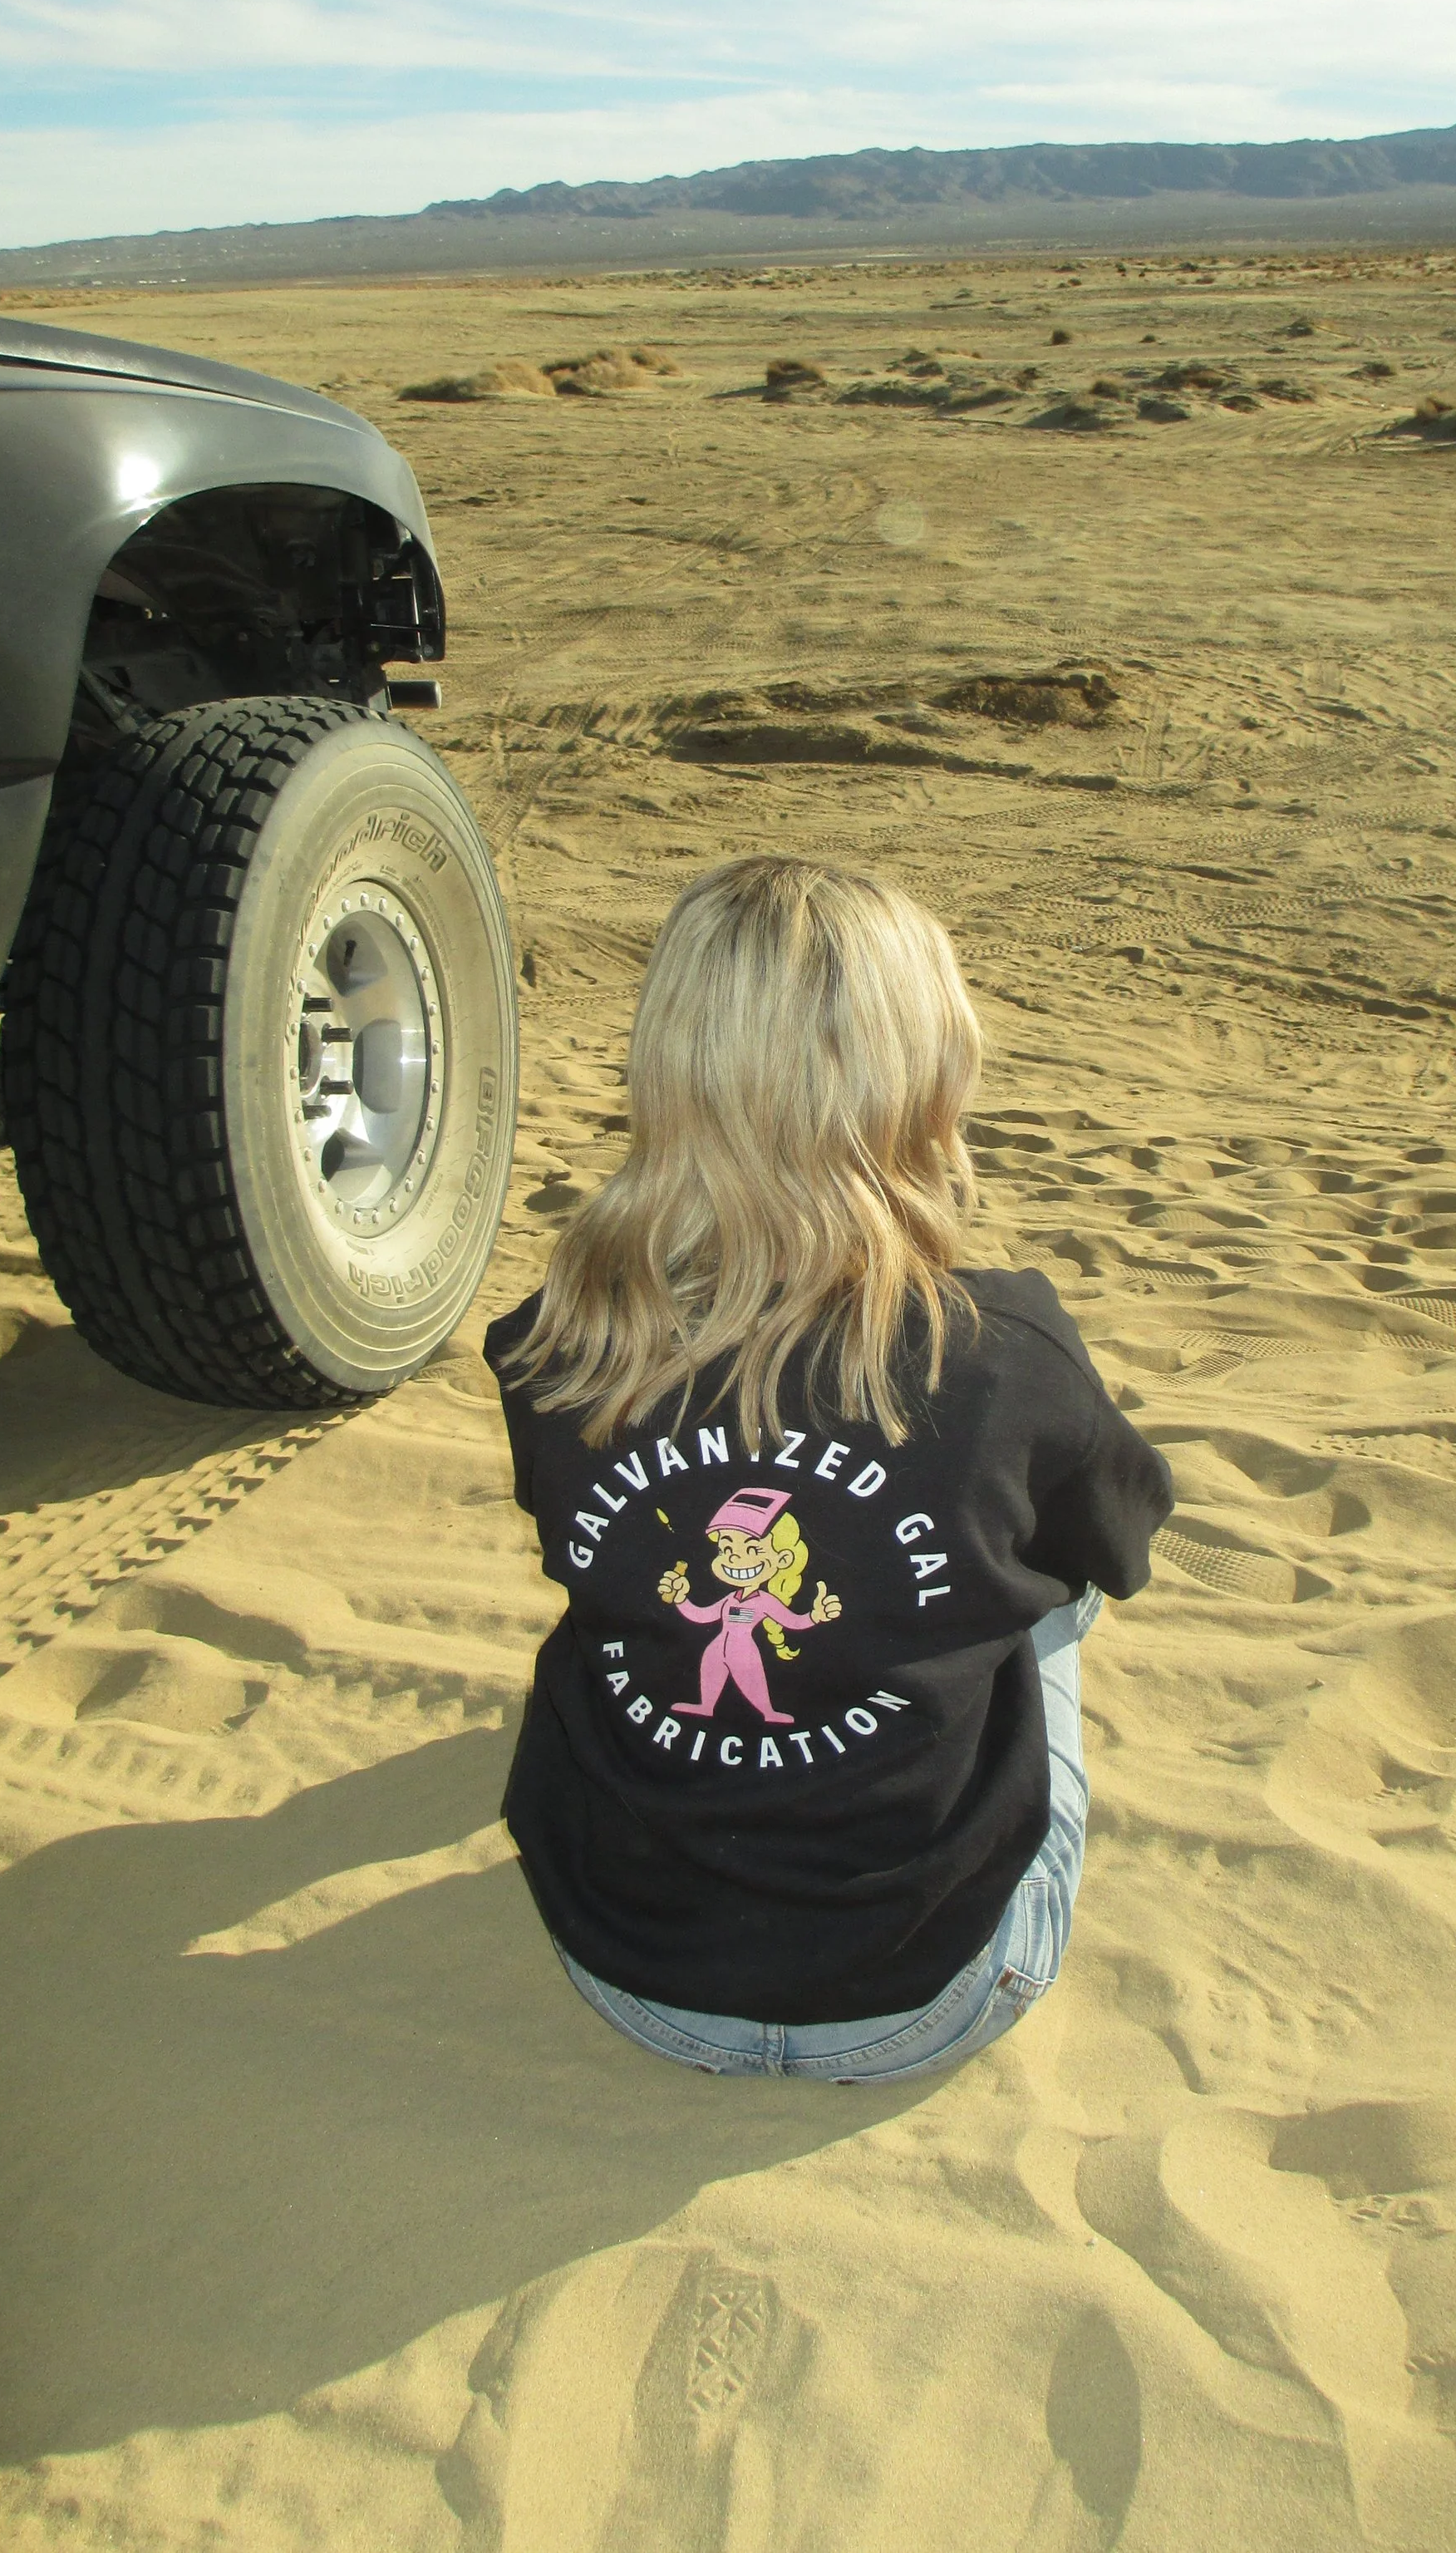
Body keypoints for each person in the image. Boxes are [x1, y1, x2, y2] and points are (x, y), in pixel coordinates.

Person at [485, 855, 1172, 2081]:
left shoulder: (557, 1340)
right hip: (940, 1985)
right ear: (923, 1082)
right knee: (1062, 1588)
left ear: (670, 1070)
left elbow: (581, 1534)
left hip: (628, 1967)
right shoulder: (1001, 1352)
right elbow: (1122, 1541)